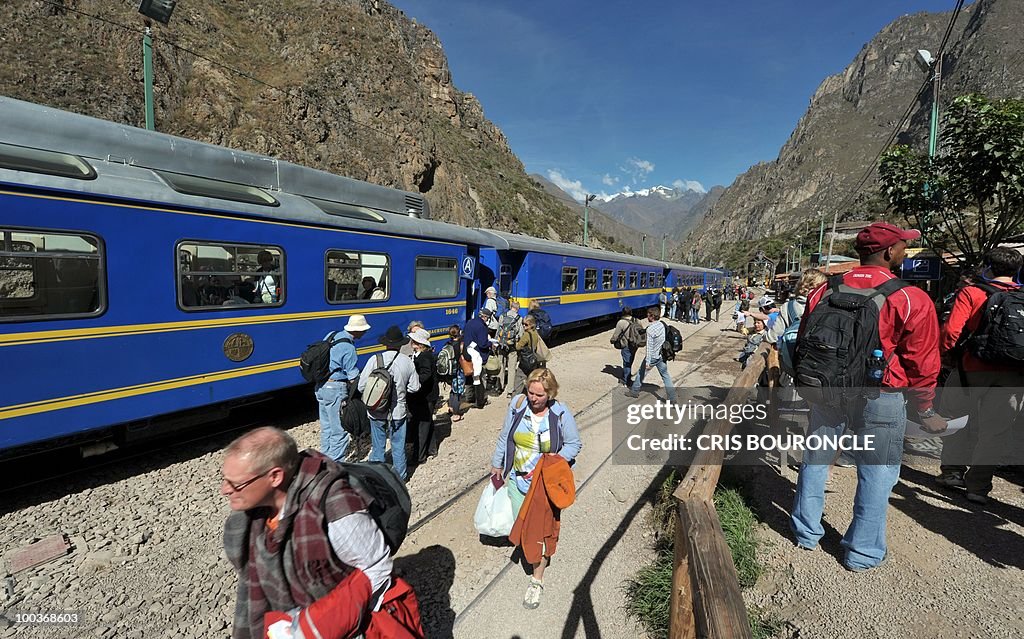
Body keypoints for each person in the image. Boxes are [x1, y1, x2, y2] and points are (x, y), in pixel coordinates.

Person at [790, 221, 946, 572]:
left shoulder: (822, 291)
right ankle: (861, 552)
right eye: (903, 246)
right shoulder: (909, 297)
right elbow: (923, 362)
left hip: (826, 390)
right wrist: (925, 408)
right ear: (890, 252)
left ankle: (805, 532)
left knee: (816, 458)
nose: (905, 252)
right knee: (876, 472)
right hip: (880, 395)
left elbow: (804, 343)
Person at [221, 427, 396, 639]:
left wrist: (314, 626)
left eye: (236, 483)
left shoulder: (333, 503)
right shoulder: (250, 519)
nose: (225, 489)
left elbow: (377, 566)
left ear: (275, 477)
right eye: (225, 479)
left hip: (339, 629)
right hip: (286, 626)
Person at [937, 247, 1024, 505]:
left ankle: (952, 473)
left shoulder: (972, 293)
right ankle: (978, 487)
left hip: (970, 369)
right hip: (1013, 374)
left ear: (986, 267)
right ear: (1017, 271)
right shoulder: (1022, 298)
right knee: (996, 431)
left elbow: (952, 331)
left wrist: (947, 357)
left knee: (954, 418)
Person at [489, 368, 581, 610]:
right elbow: (505, 436)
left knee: (539, 535)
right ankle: (532, 554)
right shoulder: (518, 405)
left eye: (539, 395)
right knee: (523, 528)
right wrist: (497, 464)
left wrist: (555, 459)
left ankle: (537, 580)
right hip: (518, 482)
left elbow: (574, 444)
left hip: (543, 487)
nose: (533, 398)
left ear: (550, 394)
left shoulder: (560, 413)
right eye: (530, 392)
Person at [358, 325, 420, 481]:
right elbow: (414, 388)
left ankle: (377, 477)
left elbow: (361, 386)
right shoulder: (407, 362)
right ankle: (400, 477)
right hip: (398, 411)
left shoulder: (375, 359)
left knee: (378, 445)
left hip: (376, 410)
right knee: (398, 446)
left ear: (385, 344)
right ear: (401, 344)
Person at [315, 315, 368, 462]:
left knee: (326, 428)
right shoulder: (349, 348)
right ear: (358, 331)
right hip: (335, 388)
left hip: (320, 387)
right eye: (364, 330)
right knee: (340, 430)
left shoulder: (332, 335)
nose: (365, 333)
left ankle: (323, 460)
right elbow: (353, 377)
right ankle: (334, 466)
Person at [626, 306, 677, 403]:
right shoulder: (662, 325)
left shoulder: (650, 330)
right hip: (661, 355)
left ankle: (634, 391)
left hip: (653, 357)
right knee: (666, 376)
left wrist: (648, 362)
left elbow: (649, 347)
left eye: (648, 315)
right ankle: (672, 398)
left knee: (641, 373)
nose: (647, 317)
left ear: (652, 316)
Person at [407, 328, 440, 465]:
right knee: (427, 422)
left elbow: (425, 375)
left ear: (418, 343)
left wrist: (414, 382)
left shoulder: (424, 356)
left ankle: (419, 456)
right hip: (427, 395)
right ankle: (431, 449)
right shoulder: (421, 354)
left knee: (422, 425)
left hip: (425, 396)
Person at [463, 307, 494, 409]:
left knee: (469, 377)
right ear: (484, 317)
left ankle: (469, 397)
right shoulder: (481, 327)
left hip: (467, 353)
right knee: (478, 378)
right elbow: (483, 344)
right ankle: (480, 401)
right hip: (478, 355)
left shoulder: (469, 322)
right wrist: (491, 343)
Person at [510, 314, 543, 396]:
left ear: (532, 324)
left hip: (525, 362)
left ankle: (514, 401)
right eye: (523, 324)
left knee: (518, 382)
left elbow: (518, 347)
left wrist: (514, 342)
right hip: (533, 360)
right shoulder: (535, 333)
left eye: (526, 324)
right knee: (530, 380)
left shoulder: (526, 335)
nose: (524, 326)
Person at [610, 306, 639, 387]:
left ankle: (626, 380)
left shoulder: (621, 322)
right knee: (630, 360)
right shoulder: (637, 320)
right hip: (635, 345)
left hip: (626, 345)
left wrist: (612, 340)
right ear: (631, 312)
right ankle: (627, 375)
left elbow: (616, 335)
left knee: (626, 363)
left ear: (623, 313)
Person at [446, 325, 467, 423]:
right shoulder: (461, 344)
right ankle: (456, 413)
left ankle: (450, 407)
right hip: (459, 370)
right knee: (458, 392)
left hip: (449, 371)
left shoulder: (448, 344)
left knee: (452, 390)